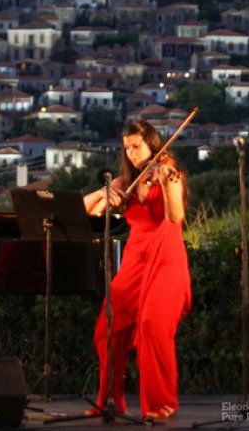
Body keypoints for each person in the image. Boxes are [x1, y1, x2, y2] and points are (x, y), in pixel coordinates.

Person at [81, 120, 192, 421]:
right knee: (106, 331)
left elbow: (175, 216)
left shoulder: (169, 172)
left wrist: (166, 184)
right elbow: (84, 210)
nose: (131, 153)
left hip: (166, 259)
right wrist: (104, 195)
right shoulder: (125, 181)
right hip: (135, 261)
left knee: (153, 328)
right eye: (127, 148)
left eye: (137, 146)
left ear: (152, 144)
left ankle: (163, 402)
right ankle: (109, 401)